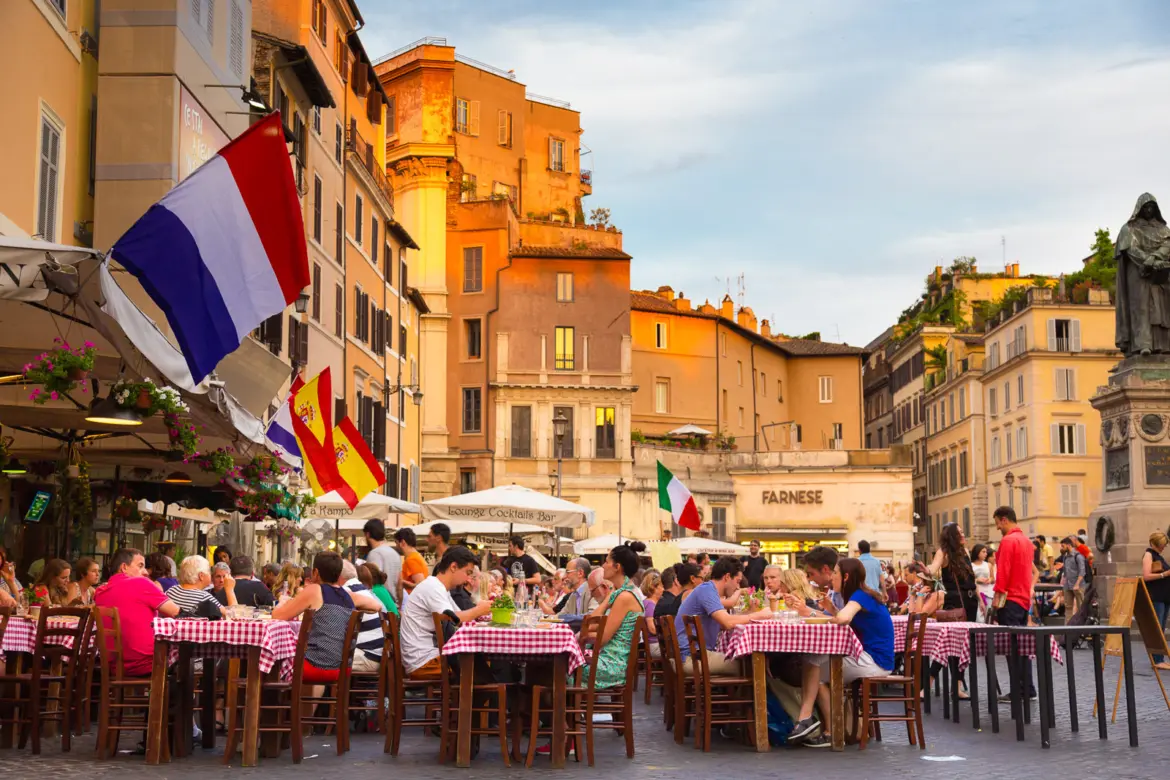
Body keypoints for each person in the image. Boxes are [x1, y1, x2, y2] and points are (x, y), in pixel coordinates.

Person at [790, 558, 894, 747]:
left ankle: (829, 730)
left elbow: (842, 619)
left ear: (846, 577)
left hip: (875, 661)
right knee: (813, 661)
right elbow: (837, 618)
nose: (831, 578)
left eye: (835, 573)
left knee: (815, 669)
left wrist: (816, 612)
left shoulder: (860, 596)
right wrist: (829, 609)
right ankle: (810, 721)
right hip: (870, 657)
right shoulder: (860, 595)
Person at [272, 551, 381, 683]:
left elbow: (278, 616)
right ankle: (307, 704)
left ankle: (274, 700)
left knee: (277, 658)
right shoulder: (347, 595)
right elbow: (376, 606)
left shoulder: (314, 590)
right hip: (342, 668)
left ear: (316, 572)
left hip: (314, 666)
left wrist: (281, 600)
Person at [398, 546, 491, 678]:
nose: (467, 579)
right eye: (467, 572)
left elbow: (460, 620)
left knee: (478, 665)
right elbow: (454, 618)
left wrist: (478, 613)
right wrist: (478, 610)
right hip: (423, 660)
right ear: (453, 567)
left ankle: (484, 694)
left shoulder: (440, 588)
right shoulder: (433, 587)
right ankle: (483, 695)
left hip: (426, 655)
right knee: (475, 669)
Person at [674, 557, 771, 675]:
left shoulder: (708, 589)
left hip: (691, 654)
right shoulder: (707, 590)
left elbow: (725, 624)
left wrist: (751, 612)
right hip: (692, 658)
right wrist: (760, 615)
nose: (738, 587)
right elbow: (728, 623)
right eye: (738, 581)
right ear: (727, 577)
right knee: (754, 664)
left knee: (752, 662)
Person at [94, 548, 180, 675]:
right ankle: (166, 695)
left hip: (112, 667)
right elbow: (176, 612)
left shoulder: (100, 591)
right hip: (147, 664)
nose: (145, 572)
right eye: (140, 566)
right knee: (188, 659)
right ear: (124, 567)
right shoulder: (141, 583)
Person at [990, 506, 1035, 700]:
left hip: (1009, 601)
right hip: (1023, 600)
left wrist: (996, 602)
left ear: (1004, 519)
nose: (998, 527)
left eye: (997, 523)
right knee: (1023, 647)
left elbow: (1003, 573)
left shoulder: (1008, 541)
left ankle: (1019, 691)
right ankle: (1028, 688)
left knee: (1013, 648)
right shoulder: (1026, 541)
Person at [586, 542, 647, 687]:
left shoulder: (625, 597)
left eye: (607, 561)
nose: (603, 565)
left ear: (617, 567)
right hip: (609, 660)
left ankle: (561, 708)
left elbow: (602, 638)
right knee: (561, 662)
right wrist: (609, 597)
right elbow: (590, 623)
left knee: (560, 665)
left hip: (612, 665)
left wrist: (581, 636)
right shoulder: (622, 593)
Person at [341, 560, 388, 674]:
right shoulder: (361, 589)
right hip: (376, 654)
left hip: (367, 656)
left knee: (319, 661)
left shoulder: (347, 591)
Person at [928, 523, 978, 622]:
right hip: (956, 601)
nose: (962, 535)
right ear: (951, 537)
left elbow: (971, 579)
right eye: (958, 533)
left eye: (962, 532)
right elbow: (933, 569)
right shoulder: (943, 553)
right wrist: (926, 570)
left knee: (971, 633)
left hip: (972, 600)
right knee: (958, 633)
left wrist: (980, 600)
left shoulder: (965, 551)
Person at [1142, 531, 1170, 670]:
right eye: (1161, 545)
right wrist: (1165, 574)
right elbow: (1146, 576)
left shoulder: (1158, 555)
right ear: (1153, 543)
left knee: (1161, 628)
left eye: (1164, 545)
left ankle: (1160, 658)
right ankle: (1157, 660)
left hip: (1164, 596)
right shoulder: (1148, 555)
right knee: (1157, 628)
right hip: (1156, 597)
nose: (1163, 548)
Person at [363, 519, 402, 599]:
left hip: (381, 602)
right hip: (393, 602)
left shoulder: (374, 554)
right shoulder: (395, 554)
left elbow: (372, 581)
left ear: (367, 534)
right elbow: (399, 584)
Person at [803, 546, 844, 614]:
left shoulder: (845, 589)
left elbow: (841, 620)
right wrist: (802, 608)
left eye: (811, 574)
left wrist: (806, 611)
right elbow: (827, 615)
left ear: (825, 569)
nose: (810, 578)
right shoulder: (832, 589)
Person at [1059, 536, 1087, 622]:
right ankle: (1067, 629)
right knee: (1068, 607)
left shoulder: (1078, 556)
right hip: (1068, 585)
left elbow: (1082, 571)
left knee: (1081, 607)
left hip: (1078, 585)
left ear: (1068, 545)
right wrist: (1063, 588)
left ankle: (1082, 628)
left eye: (1063, 546)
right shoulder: (1065, 557)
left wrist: (1077, 584)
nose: (1061, 548)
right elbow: (1065, 573)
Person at [395, 528, 429, 595]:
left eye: (396, 543)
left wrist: (399, 582)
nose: (396, 546)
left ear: (402, 543)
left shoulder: (412, 559)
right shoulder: (415, 556)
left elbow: (420, 585)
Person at [971, 544, 996, 621]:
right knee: (978, 616)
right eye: (983, 552)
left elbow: (993, 579)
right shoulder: (970, 565)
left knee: (988, 616)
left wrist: (989, 580)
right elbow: (968, 580)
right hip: (976, 593)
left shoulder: (988, 565)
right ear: (977, 552)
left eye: (986, 552)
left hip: (988, 593)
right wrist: (977, 580)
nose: (985, 554)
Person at [641, 570, 663, 653]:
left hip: (654, 644)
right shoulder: (650, 604)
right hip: (654, 645)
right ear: (654, 587)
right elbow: (652, 629)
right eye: (662, 586)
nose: (663, 589)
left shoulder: (647, 602)